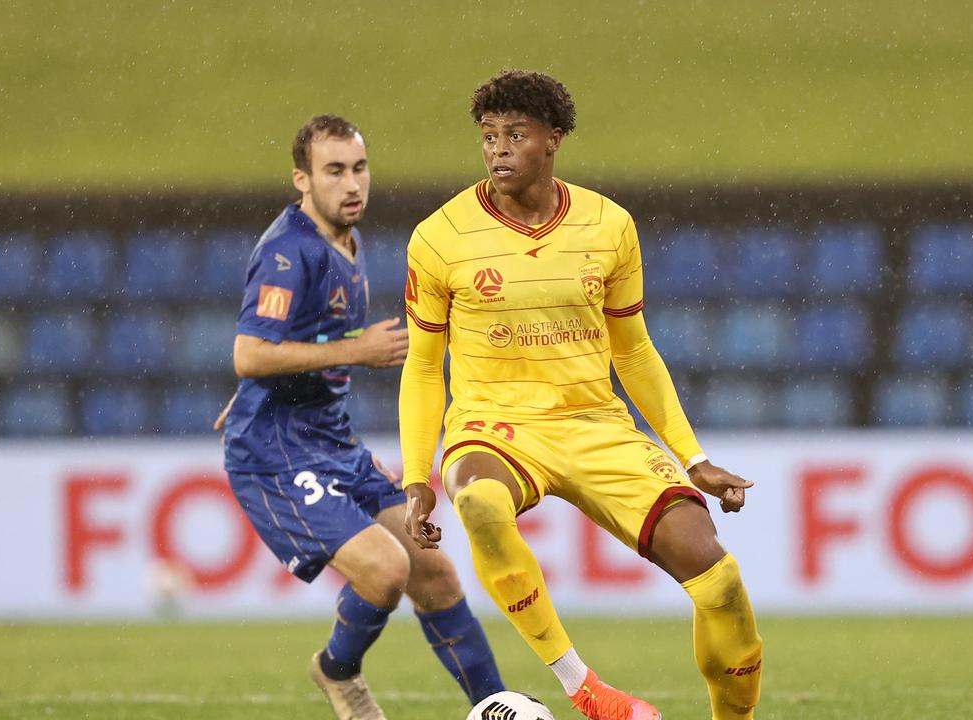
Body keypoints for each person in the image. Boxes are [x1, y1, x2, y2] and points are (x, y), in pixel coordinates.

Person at [399, 71, 763, 720]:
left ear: (553, 140)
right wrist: (415, 476)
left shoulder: (609, 224)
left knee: (721, 582)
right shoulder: (439, 236)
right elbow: (424, 367)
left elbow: (634, 350)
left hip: (596, 423)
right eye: (488, 136)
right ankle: (584, 689)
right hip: (494, 423)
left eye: (515, 134)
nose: (498, 149)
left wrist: (691, 454)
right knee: (480, 503)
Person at [218, 114, 504, 720]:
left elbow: (283, 342)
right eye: (334, 171)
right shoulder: (288, 254)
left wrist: (262, 379)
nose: (352, 184)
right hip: (276, 453)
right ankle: (336, 671)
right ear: (303, 180)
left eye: (359, 168)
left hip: (328, 438)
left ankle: (496, 707)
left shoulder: (345, 238)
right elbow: (249, 352)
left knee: (435, 572)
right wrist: (356, 350)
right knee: (386, 569)